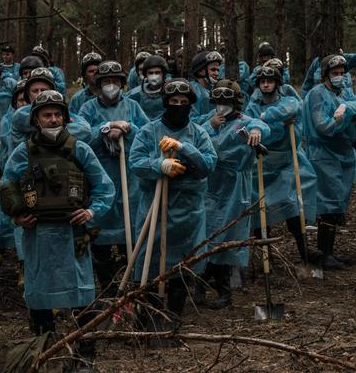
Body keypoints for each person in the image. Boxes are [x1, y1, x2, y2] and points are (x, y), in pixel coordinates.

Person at [0, 90, 114, 369]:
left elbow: (104, 186)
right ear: (36, 119)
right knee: (39, 294)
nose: (53, 119)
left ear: (65, 116)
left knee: (82, 295)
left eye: (57, 114)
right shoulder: (24, 151)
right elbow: (6, 185)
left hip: (73, 234)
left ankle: (85, 355)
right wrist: (17, 217)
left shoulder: (79, 149)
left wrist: (91, 211)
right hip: (37, 235)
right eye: (46, 114)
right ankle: (44, 352)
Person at [129, 80, 217, 333]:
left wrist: (183, 148)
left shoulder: (198, 133)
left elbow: (209, 165)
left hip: (188, 209)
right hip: (154, 206)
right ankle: (148, 315)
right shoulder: (148, 131)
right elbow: (136, 162)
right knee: (150, 259)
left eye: (183, 103)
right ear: (165, 103)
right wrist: (160, 165)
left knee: (183, 263)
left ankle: (173, 318)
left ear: (190, 105)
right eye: (173, 102)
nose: (178, 106)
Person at [0, 70, 57, 296]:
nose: (39, 95)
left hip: (44, 183)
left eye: (44, 90)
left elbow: (78, 128)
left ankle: (25, 274)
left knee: (26, 230)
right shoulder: (18, 116)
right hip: (14, 178)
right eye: (34, 92)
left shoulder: (56, 115)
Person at [76, 61, 150, 297]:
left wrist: (128, 129)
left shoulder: (133, 107)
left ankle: (132, 288)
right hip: (99, 176)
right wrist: (106, 128)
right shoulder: (87, 108)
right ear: (98, 85)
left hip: (129, 179)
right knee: (101, 234)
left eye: (115, 82)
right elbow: (80, 137)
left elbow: (147, 135)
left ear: (122, 84)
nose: (111, 86)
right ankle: (107, 290)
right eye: (106, 82)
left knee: (130, 233)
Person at [198, 80, 267, 308]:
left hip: (235, 186)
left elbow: (260, 124)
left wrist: (257, 131)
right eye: (218, 102)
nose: (221, 106)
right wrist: (210, 125)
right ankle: (201, 285)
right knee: (208, 234)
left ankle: (223, 292)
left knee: (227, 236)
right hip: (211, 185)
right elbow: (194, 132)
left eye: (226, 102)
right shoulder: (209, 120)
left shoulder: (243, 123)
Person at [244, 64, 319, 265]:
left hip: (286, 163)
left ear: (277, 83)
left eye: (270, 81)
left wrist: (268, 118)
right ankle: (264, 257)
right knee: (261, 208)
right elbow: (249, 124)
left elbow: (294, 116)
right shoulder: (253, 106)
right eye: (262, 82)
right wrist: (257, 126)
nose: (266, 85)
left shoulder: (288, 102)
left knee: (292, 205)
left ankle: (304, 251)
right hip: (262, 163)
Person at [302, 55, 356, 269]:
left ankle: (329, 251)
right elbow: (324, 127)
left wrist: (347, 108)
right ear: (325, 75)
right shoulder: (316, 95)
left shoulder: (344, 92)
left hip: (343, 155)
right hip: (324, 155)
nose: (339, 77)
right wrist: (343, 118)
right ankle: (325, 252)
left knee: (338, 201)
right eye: (334, 74)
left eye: (342, 73)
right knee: (329, 204)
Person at [127, 54, 170, 120]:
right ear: (145, 75)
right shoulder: (137, 92)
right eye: (150, 73)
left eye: (157, 72)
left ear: (163, 74)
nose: (154, 76)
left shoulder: (171, 91)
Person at [189, 50, 223, 119]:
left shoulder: (213, 89)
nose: (216, 74)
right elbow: (191, 122)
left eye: (218, 70)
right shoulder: (192, 91)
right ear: (201, 71)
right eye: (213, 70)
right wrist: (213, 115)